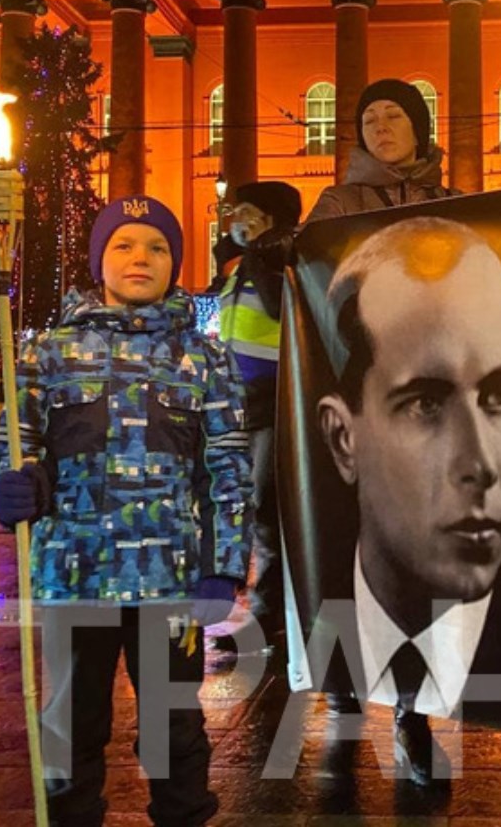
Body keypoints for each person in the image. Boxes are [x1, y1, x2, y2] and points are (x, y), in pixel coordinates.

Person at [0, 194, 253, 827]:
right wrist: (15, 487)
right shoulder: (48, 354)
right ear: (98, 261)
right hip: (72, 575)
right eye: (124, 245)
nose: (141, 258)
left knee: (172, 727)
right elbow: (17, 446)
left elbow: (228, 468)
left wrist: (222, 566)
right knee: (69, 726)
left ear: (175, 263)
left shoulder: (204, 359)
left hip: (170, 581)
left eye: (158, 247)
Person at [316, 216, 501, 782]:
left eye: (500, 392)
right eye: (425, 404)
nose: (480, 464)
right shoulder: (321, 604)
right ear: (343, 438)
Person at [217, 180, 302, 651]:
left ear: (270, 218)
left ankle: (268, 616)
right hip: (243, 405)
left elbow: (277, 308)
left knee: (266, 515)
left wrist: (253, 256)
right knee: (251, 513)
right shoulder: (246, 264)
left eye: (246, 212)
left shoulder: (277, 260)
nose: (237, 220)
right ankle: (262, 612)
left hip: (269, 404)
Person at [303, 78, 455, 223]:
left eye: (393, 116)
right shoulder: (339, 203)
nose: (380, 127)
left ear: (417, 132)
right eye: (369, 120)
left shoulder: (454, 203)